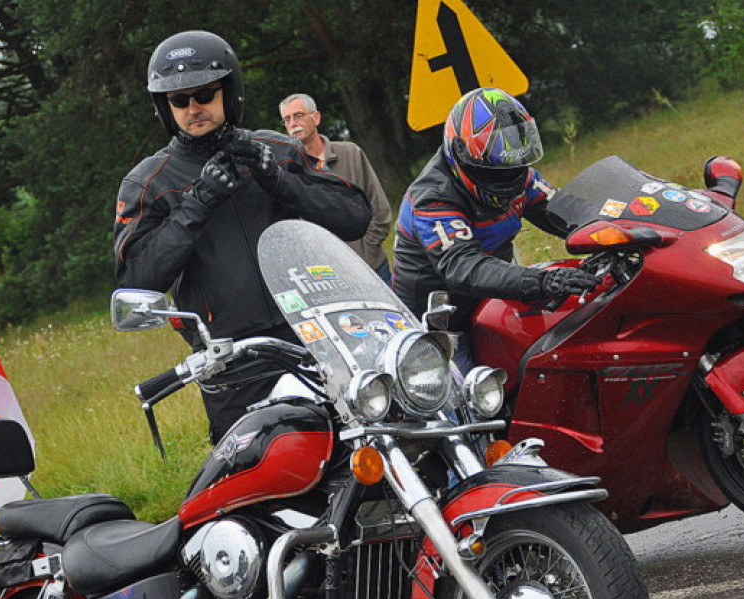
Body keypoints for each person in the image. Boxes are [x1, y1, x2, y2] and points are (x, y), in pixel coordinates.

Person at [114, 30, 371, 443]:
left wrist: (279, 181)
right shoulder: (149, 181)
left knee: (363, 462)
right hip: (232, 363)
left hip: (316, 341)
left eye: (204, 95)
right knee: (266, 480)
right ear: (164, 107)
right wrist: (198, 203)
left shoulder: (277, 149)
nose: (193, 108)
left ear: (228, 93)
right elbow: (136, 281)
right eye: (179, 101)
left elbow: (355, 216)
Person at [392, 87, 599, 373]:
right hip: (441, 326)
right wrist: (543, 281)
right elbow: (464, 267)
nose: (507, 176)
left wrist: (613, 228)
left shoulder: (519, 176)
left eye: (513, 166)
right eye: (494, 170)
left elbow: (563, 209)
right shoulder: (433, 197)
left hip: (490, 301)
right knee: (469, 406)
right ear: (462, 155)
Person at [278, 93, 393, 283]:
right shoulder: (287, 171)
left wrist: (367, 251)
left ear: (316, 118)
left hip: (372, 268)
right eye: (287, 119)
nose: (292, 124)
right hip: (328, 279)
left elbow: (379, 209)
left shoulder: (350, 153)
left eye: (298, 115)